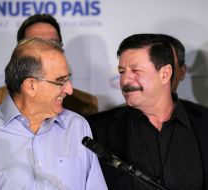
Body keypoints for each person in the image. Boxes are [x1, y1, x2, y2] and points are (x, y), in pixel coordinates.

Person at [0, 37, 107, 190]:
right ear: (31, 86)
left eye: (68, 79)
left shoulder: (77, 127)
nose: (69, 90)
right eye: (61, 81)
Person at [86, 34, 208, 190]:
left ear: (165, 73)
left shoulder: (203, 123)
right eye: (122, 71)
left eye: (136, 71)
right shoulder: (97, 129)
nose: (125, 80)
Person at [0, 14, 98, 116]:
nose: (46, 51)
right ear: (19, 53)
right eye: (36, 43)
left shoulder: (85, 105)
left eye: (54, 44)